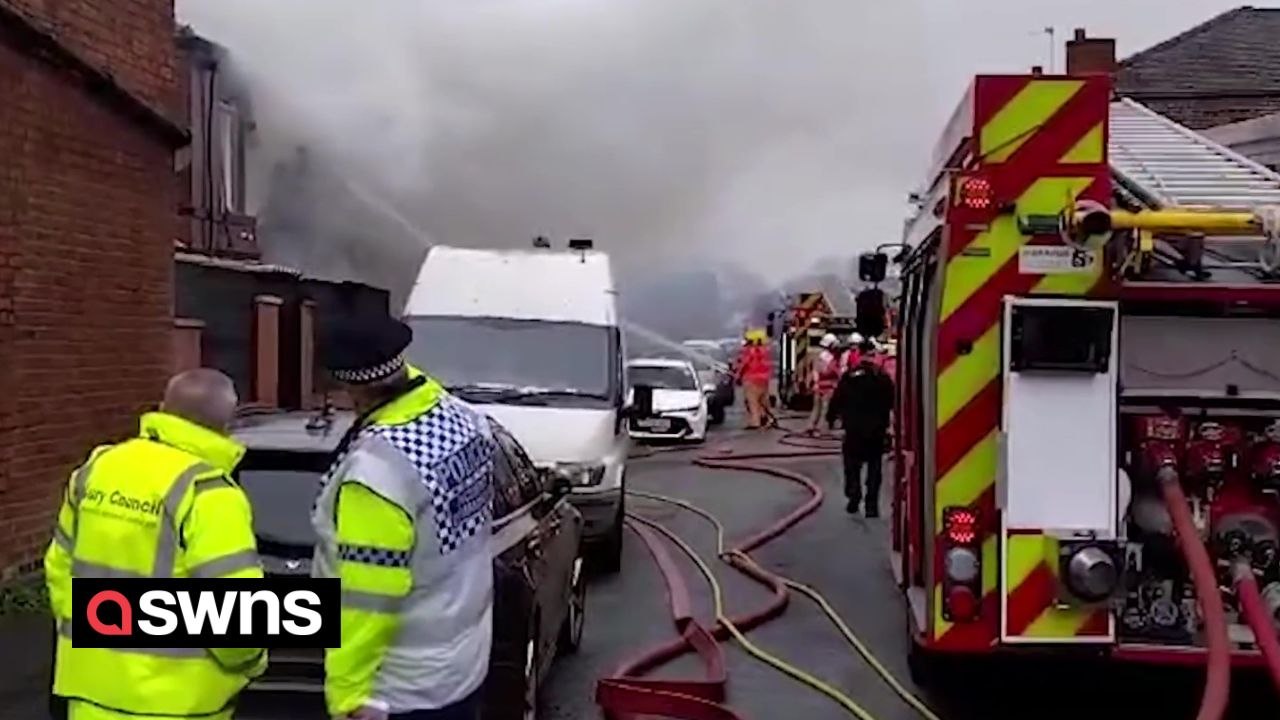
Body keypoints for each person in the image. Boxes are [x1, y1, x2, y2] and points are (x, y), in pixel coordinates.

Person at [45, 369, 265, 720]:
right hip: (178, 705)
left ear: (162, 408)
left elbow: (59, 566)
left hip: (90, 695)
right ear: (226, 424)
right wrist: (251, 662)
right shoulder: (208, 493)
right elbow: (235, 613)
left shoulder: (98, 468)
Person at [314, 311, 496, 720]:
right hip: (461, 665)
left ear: (346, 385)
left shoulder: (378, 475)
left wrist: (347, 694)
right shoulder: (463, 419)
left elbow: (369, 596)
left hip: (399, 687)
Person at [827, 341, 895, 517]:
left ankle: (854, 496)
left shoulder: (849, 376)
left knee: (852, 466)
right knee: (874, 469)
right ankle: (871, 506)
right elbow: (893, 401)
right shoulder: (882, 377)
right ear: (873, 355)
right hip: (877, 430)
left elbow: (837, 399)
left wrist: (831, 418)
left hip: (854, 430)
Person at [736, 329, 773, 429]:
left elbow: (743, 364)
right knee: (763, 400)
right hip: (764, 379)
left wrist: (738, 376)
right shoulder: (765, 351)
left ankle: (755, 422)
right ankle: (765, 418)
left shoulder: (749, 351)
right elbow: (769, 366)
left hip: (751, 379)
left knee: (752, 401)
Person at [807, 333, 841, 434]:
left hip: (818, 386)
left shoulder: (820, 356)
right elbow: (834, 372)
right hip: (828, 387)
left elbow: (815, 371)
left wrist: (814, 383)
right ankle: (821, 429)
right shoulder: (832, 358)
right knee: (824, 409)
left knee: (816, 408)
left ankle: (811, 426)